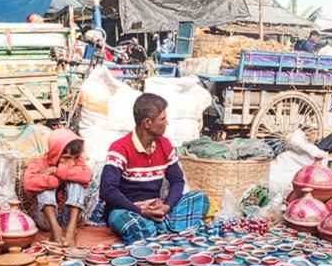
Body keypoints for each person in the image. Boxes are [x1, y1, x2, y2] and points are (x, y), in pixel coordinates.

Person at [100, 93, 209, 244]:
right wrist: (141, 211)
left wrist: (167, 206)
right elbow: (107, 190)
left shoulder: (165, 145)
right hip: (130, 209)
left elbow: (177, 180)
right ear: (147, 122)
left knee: (199, 199)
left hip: (157, 206)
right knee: (123, 219)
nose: (167, 123)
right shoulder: (120, 148)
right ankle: (166, 229)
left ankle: (155, 228)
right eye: (163, 119)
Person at [24, 129, 93, 247]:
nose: (71, 162)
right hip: (45, 220)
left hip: (69, 218)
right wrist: (56, 180)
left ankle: (71, 230)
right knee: (45, 183)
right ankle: (55, 229)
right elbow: (29, 183)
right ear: (55, 154)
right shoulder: (41, 162)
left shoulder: (78, 163)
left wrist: (57, 170)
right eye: (66, 158)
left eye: (76, 158)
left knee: (77, 180)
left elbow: (86, 176)